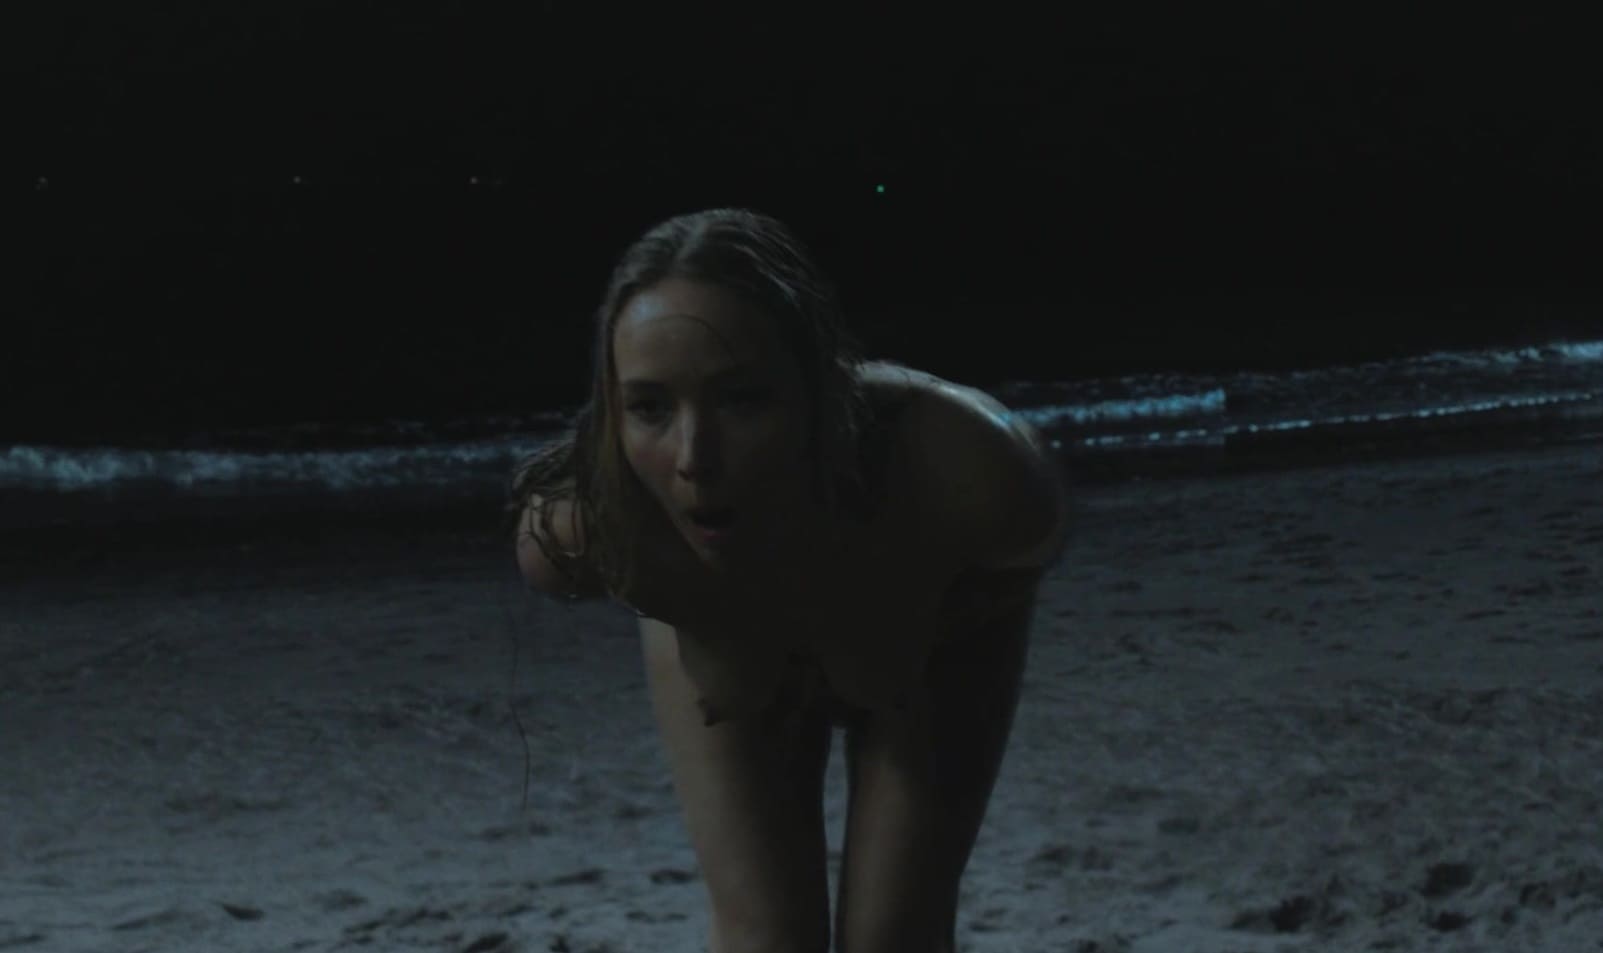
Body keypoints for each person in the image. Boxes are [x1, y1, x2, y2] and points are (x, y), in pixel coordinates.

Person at [507, 208, 1068, 953]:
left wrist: (917, 613)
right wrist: (721, 618)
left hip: (931, 607)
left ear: (816, 386)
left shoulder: (962, 468)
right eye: (649, 407)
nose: (693, 457)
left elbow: (1032, 542)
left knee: (893, 937)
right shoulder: (585, 534)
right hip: (738, 610)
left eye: (742, 399)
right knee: (765, 940)